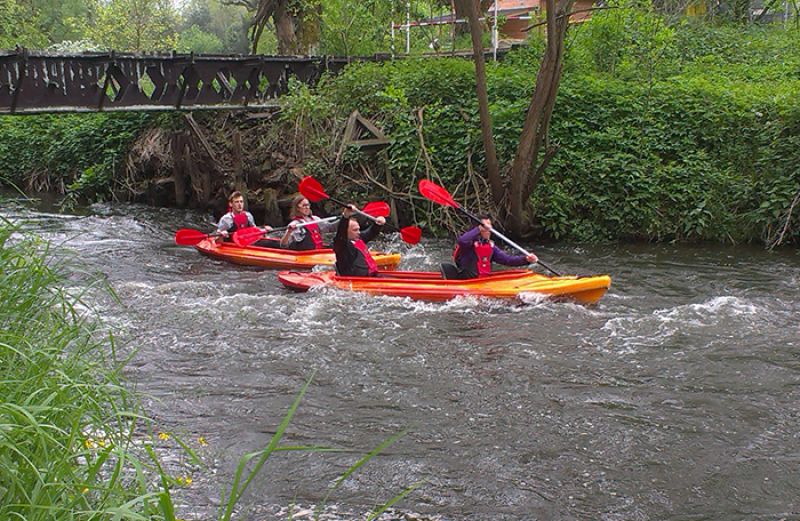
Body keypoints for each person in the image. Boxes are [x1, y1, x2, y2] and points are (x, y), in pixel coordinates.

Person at [441, 216, 537, 279]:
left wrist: (526, 259)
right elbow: (462, 241)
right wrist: (479, 228)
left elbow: (508, 260)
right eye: (485, 226)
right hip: (467, 282)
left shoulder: (490, 246)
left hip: (483, 283)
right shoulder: (468, 245)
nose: (488, 229)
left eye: (489, 225)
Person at [333, 205, 386, 277]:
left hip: (370, 277)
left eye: (358, 229)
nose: (359, 232)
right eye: (355, 230)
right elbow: (341, 233)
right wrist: (345, 216)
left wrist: (378, 224)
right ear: (346, 231)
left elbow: (371, 232)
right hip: (355, 281)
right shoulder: (341, 245)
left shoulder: (358, 238)